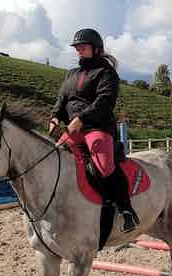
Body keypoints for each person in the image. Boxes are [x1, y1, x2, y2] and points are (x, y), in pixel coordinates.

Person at [48, 28, 139, 233]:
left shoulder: (106, 73)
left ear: (96, 49)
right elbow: (62, 99)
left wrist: (82, 118)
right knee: (53, 158)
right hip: (73, 129)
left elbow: (104, 102)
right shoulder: (71, 74)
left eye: (83, 47)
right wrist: (55, 116)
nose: (79, 50)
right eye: (77, 47)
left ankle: (126, 210)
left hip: (97, 128)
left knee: (104, 166)